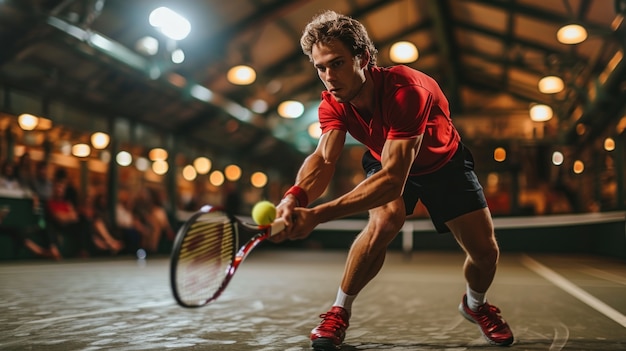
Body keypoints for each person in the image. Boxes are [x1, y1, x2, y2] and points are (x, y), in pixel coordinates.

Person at [272, 10, 514, 350]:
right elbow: (325, 158)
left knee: (485, 253)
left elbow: (393, 180)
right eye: (320, 67)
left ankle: (476, 305)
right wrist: (293, 199)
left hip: (443, 164)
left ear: (364, 58)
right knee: (385, 221)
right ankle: (339, 310)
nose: (328, 76)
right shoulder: (333, 102)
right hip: (385, 156)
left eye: (337, 64)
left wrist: (317, 215)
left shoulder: (407, 90)